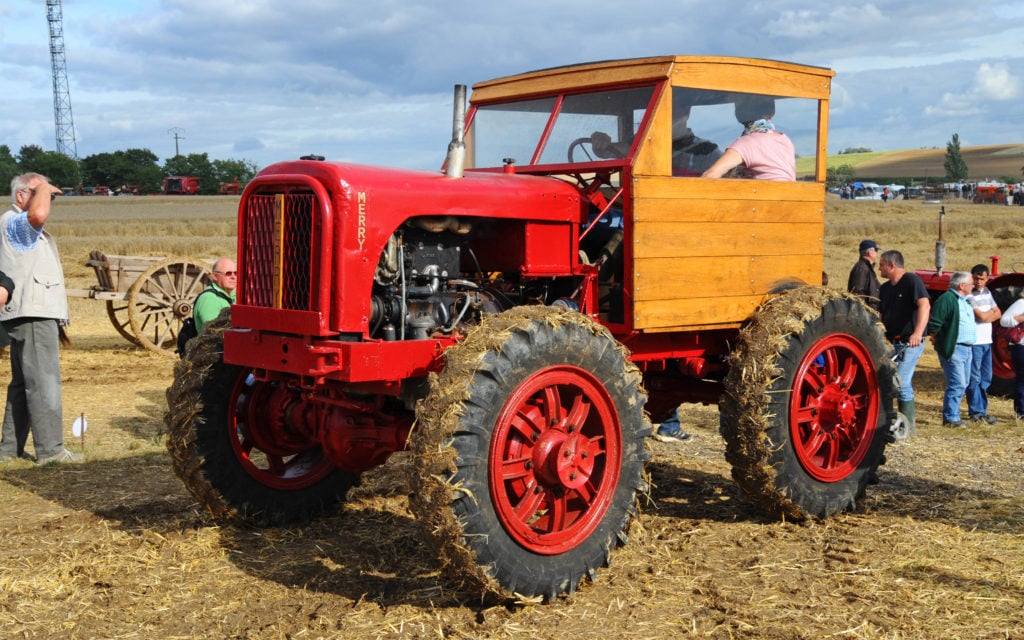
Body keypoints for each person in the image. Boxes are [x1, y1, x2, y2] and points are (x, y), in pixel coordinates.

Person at [0, 173, 80, 465]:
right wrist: (44, 186)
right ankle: (52, 451)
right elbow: (39, 214)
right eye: (40, 192)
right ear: (21, 196)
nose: (49, 199)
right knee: (44, 382)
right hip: (32, 313)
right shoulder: (16, 222)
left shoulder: (11, 224)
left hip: (25, 312)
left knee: (23, 383)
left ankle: (9, 450)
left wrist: (41, 188)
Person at [878, 250, 930, 435]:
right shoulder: (884, 289)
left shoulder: (911, 281)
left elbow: (925, 305)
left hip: (910, 342)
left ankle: (900, 424)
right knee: (900, 382)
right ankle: (905, 426)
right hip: (893, 343)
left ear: (892, 265)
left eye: (882, 264)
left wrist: (917, 333)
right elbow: (881, 315)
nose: (879, 268)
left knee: (899, 381)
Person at [701, 95, 795, 181]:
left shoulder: (746, 143)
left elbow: (710, 175)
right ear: (771, 110)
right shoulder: (785, 140)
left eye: (738, 103)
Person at [926, 272, 976, 428]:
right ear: (962, 286)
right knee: (957, 383)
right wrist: (939, 339)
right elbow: (935, 324)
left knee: (964, 382)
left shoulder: (964, 301)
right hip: (954, 348)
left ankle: (954, 414)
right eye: (971, 284)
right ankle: (950, 418)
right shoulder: (947, 300)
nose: (973, 286)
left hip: (966, 348)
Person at [966, 265, 1000, 424]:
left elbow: (998, 312)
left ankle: (982, 410)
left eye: (982, 279)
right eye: (976, 278)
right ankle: (975, 412)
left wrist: (989, 315)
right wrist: (989, 315)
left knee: (986, 377)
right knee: (975, 378)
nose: (978, 282)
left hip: (987, 341)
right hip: (975, 342)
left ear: (987, 279)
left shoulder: (987, 292)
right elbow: (981, 318)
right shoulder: (968, 296)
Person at [193, 257, 237, 332]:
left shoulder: (232, 295)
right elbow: (215, 334)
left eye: (236, 273)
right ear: (215, 276)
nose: (233, 277)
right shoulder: (209, 299)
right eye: (228, 273)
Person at [999, 292, 1024, 419]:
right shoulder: (1021, 304)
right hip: (1021, 347)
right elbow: (1004, 321)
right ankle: (1021, 412)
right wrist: (1021, 318)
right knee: (1022, 379)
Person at [847, 239, 881, 311]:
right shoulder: (862, 268)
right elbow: (858, 294)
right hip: (865, 314)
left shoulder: (866, 267)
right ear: (869, 252)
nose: (877, 253)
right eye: (876, 250)